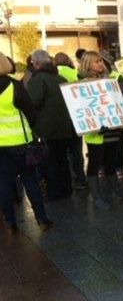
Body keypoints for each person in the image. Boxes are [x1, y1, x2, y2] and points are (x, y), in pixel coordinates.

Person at [0, 52, 52, 234]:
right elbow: (31, 112)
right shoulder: (14, 85)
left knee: (4, 184)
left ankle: (10, 222)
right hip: (20, 143)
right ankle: (42, 219)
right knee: (30, 180)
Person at [78, 51, 123, 209]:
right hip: (95, 132)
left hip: (112, 128)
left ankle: (118, 193)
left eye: (101, 62)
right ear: (88, 64)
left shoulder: (110, 79)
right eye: (97, 62)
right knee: (95, 164)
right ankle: (97, 198)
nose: (100, 64)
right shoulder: (81, 84)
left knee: (111, 161)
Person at [27, 49, 75, 201]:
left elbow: (34, 102)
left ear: (37, 63)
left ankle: (54, 192)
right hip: (65, 127)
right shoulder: (60, 78)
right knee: (63, 160)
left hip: (47, 128)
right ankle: (67, 189)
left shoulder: (37, 79)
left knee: (50, 162)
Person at [54, 52, 87, 190]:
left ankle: (68, 179)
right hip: (75, 116)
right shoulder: (74, 72)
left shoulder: (53, 74)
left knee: (63, 152)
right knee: (76, 151)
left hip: (61, 118)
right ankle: (81, 178)